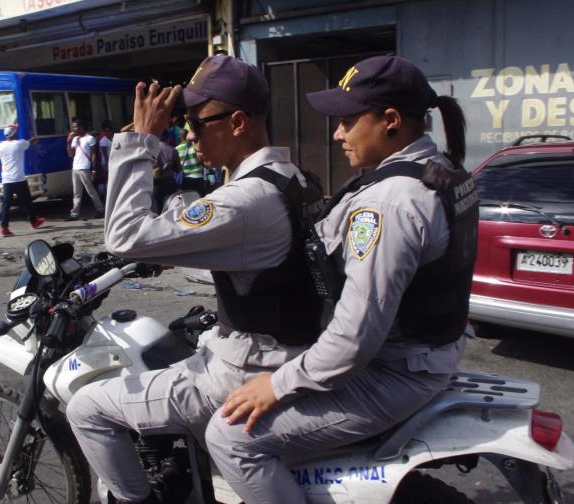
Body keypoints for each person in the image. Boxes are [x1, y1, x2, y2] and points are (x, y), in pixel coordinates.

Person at [204, 54, 479, 503]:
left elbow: (355, 337)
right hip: (429, 352)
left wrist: (276, 384)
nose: (336, 133)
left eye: (347, 121)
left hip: (393, 370)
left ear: (390, 120)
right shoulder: (441, 171)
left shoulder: (390, 203)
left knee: (232, 437)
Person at [66, 54, 324, 504]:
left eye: (195, 122)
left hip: (242, 371)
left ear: (238, 122)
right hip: (287, 348)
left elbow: (124, 238)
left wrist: (142, 140)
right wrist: (176, 256)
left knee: (86, 407)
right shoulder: (292, 178)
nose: (186, 133)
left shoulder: (245, 199)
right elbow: (262, 261)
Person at [0, 124, 44, 236]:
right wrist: (35, 138)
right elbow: (31, 142)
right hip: (19, 179)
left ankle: (4, 228)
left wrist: (3, 169)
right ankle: (34, 222)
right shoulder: (19, 144)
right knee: (27, 202)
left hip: (7, 179)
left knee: (6, 204)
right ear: (14, 133)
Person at [66, 119, 104, 220]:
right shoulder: (75, 139)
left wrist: (94, 170)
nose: (74, 129)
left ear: (82, 127)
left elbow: (94, 155)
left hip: (85, 168)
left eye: (76, 126)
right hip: (76, 168)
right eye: (73, 127)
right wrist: (68, 142)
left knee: (90, 191)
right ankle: (74, 214)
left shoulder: (90, 138)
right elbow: (71, 154)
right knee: (77, 193)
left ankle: (100, 210)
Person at [151, 130, 181, 212]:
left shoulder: (151, 150)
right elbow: (178, 169)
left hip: (155, 183)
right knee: (170, 209)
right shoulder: (173, 150)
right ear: (168, 138)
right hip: (169, 184)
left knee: (156, 209)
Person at [175, 128, 207, 195]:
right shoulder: (195, 147)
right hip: (198, 177)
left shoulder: (176, 149)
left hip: (185, 179)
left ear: (180, 137)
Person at [94, 120, 114, 202]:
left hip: (113, 161)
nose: (107, 133)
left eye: (109, 131)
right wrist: (109, 164)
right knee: (108, 180)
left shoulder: (113, 139)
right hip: (106, 163)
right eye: (106, 131)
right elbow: (105, 155)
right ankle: (107, 198)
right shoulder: (103, 141)